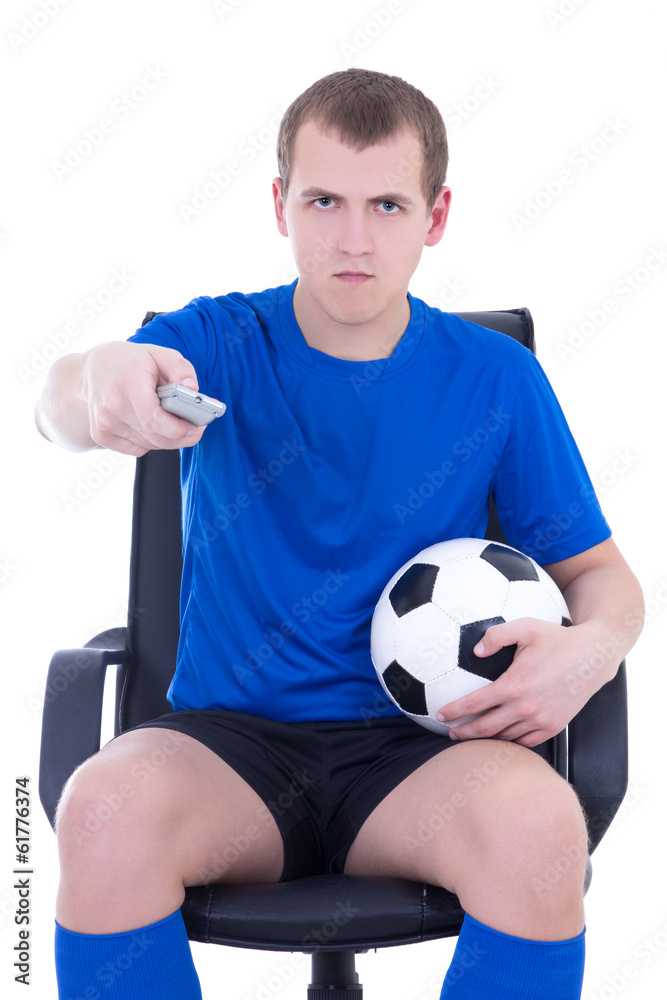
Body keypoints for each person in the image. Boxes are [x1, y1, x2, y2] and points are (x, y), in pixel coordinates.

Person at [36, 68, 643, 1000]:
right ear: (280, 205)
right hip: (224, 754)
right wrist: (94, 380)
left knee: (539, 824)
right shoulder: (219, 341)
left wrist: (590, 648)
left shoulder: (493, 379)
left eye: (387, 205)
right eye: (323, 200)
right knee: (102, 809)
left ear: (434, 217)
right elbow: (62, 404)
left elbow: (601, 577)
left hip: (419, 759)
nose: (353, 239)